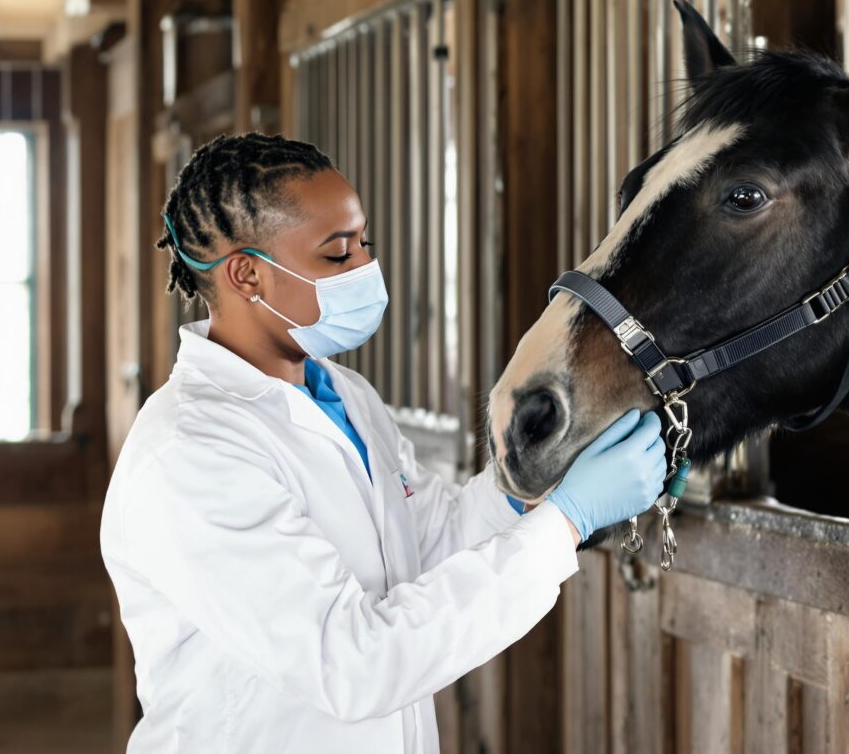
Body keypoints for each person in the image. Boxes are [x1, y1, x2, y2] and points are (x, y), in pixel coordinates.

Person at [100, 133, 666, 753]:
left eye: (364, 244)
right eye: (337, 256)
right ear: (247, 274)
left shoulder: (344, 395)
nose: (366, 270)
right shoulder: (189, 453)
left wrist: (534, 485)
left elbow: (431, 544)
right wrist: (565, 522)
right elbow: (354, 663)